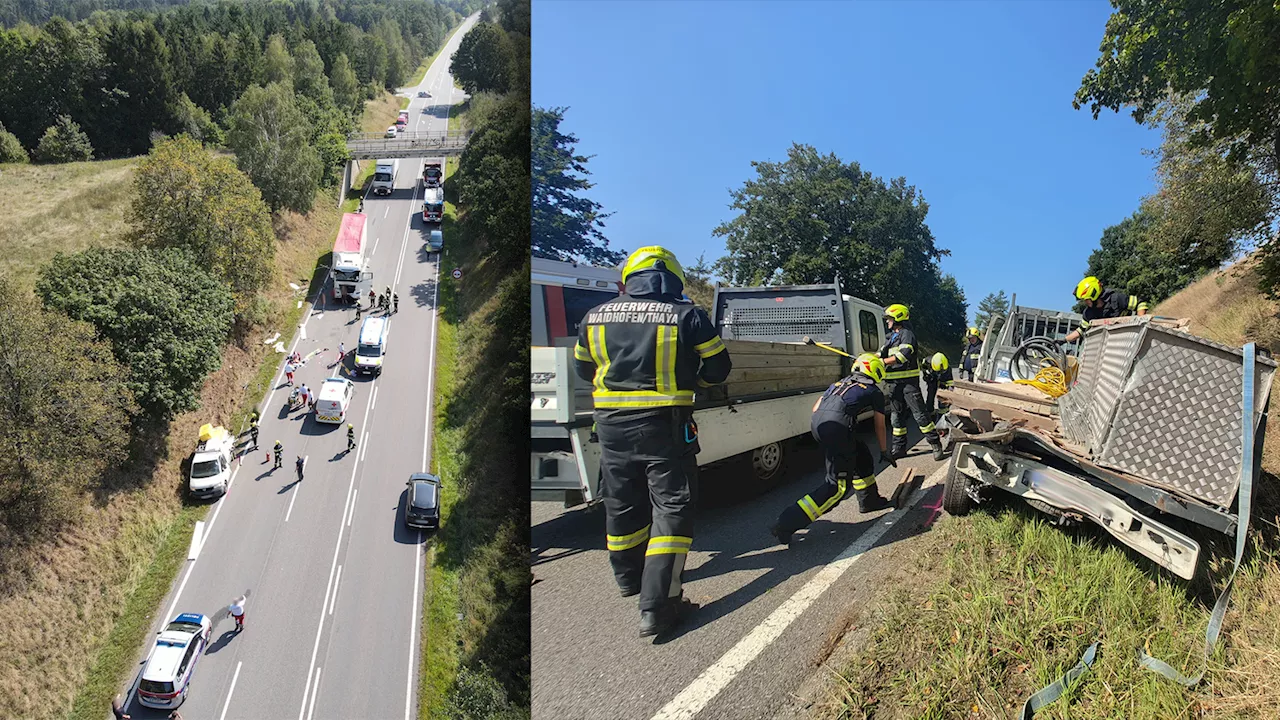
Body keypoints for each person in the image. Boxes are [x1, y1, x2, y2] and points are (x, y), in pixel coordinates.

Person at [573, 246, 732, 638]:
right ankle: (658, 606)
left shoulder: (595, 317)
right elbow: (719, 367)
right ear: (673, 279)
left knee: (621, 500)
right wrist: (694, 381)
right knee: (673, 507)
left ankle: (628, 579)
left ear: (629, 278)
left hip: (610, 426)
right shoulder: (687, 315)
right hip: (664, 425)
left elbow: (582, 368)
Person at [771, 354, 896, 546]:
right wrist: (885, 451)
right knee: (837, 487)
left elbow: (816, 408)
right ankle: (786, 522)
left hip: (819, 425)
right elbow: (879, 425)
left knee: (860, 454)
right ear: (876, 371)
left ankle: (869, 500)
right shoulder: (873, 391)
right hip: (837, 429)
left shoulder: (838, 384)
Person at [879, 303, 946, 461]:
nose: (887, 321)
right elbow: (880, 354)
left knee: (920, 416)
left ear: (897, 318)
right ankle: (899, 448)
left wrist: (883, 362)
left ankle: (936, 444)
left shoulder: (907, 334)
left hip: (908, 384)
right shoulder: (890, 338)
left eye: (889, 318)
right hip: (894, 384)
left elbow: (903, 355)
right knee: (896, 417)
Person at [1062, 276, 1140, 343]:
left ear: (1093, 294)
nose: (1085, 302)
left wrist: (1141, 326)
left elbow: (1140, 303)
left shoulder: (1116, 299)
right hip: (1111, 345)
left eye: (1086, 299)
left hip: (1130, 341)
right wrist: (1063, 341)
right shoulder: (1089, 313)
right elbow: (1080, 331)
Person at [921, 352, 954, 420]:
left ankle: (942, 413)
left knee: (942, 395)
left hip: (943, 380)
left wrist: (949, 393)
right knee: (931, 393)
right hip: (932, 377)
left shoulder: (947, 369)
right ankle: (930, 412)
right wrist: (925, 375)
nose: (939, 373)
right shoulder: (927, 361)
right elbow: (923, 367)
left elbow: (950, 383)